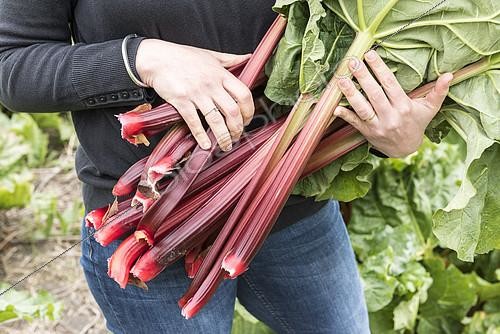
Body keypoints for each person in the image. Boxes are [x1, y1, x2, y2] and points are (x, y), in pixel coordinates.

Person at [0, 1, 452, 333]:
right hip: (144, 225)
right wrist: (142, 59)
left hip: (294, 210)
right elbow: (11, 65)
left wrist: (392, 137)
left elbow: (348, 52)